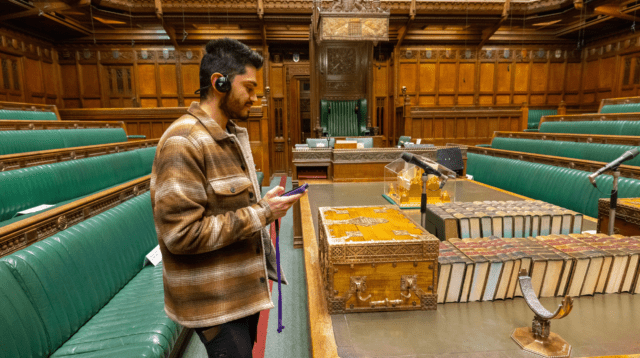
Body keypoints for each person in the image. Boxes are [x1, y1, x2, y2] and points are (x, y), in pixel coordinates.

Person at [150, 38, 304, 358]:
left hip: (242, 292)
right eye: (248, 88)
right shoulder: (184, 141)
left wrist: (266, 206)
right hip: (215, 302)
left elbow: (232, 206)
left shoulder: (228, 135)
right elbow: (182, 235)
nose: (255, 97)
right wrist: (262, 213)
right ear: (218, 83)